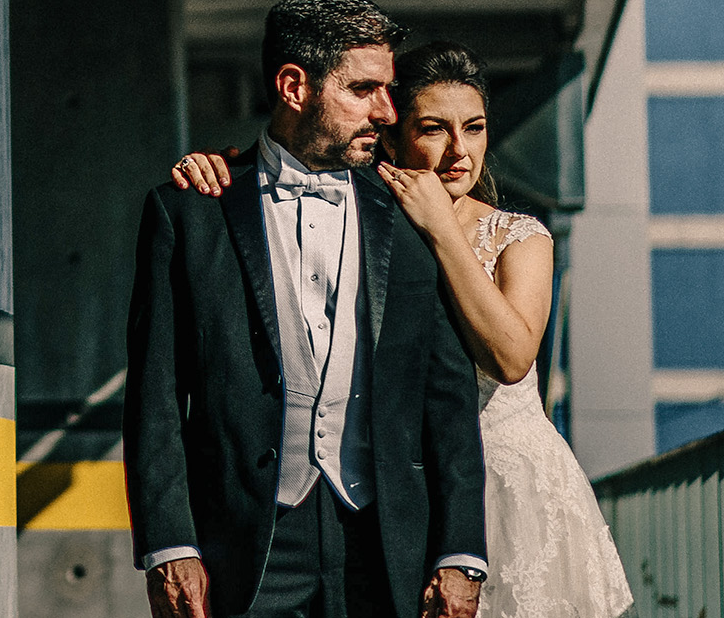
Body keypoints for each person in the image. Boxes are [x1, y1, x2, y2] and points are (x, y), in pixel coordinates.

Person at [171, 39, 634, 618]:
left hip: (509, 488)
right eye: (435, 129)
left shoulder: (520, 237)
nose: (459, 150)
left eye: (476, 127)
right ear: (391, 134)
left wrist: (441, 225)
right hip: (399, 491)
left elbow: (512, 359)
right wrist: (225, 169)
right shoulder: (368, 215)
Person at [126, 0, 487, 618]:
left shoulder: (415, 216)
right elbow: (155, 393)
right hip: (240, 548)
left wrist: (460, 553)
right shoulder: (190, 212)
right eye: (363, 89)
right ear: (294, 87)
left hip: (383, 542)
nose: (386, 111)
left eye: (388, 89)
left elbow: (448, 397)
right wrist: (169, 545)